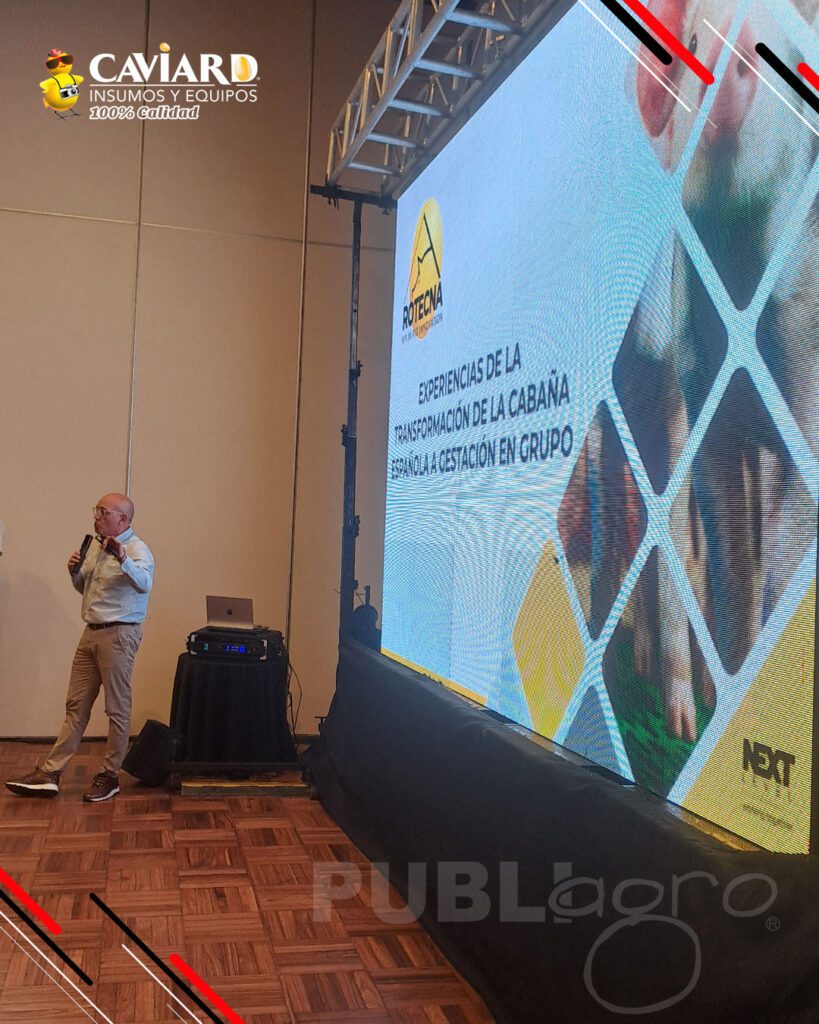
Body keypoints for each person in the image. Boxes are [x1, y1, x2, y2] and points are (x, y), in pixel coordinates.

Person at [6, 493, 154, 802]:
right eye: (96, 511)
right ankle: (50, 773)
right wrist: (75, 573)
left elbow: (144, 584)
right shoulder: (96, 546)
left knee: (116, 708)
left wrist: (122, 558)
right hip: (91, 632)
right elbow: (87, 589)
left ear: (123, 519)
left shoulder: (137, 549)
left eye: (103, 512)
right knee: (76, 705)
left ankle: (110, 775)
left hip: (119, 634)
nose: (96, 517)